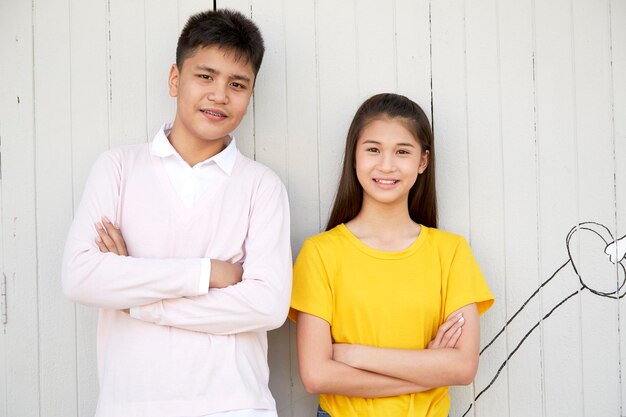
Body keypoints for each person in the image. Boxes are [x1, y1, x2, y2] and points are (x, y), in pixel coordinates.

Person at [62, 9, 291, 417]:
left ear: (250, 93)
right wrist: (208, 273)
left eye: (237, 84)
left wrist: (136, 293)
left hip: (237, 406)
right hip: (130, 406)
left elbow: (267, 306)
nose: (220, 95)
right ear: (175, 79)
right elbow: (80, 277)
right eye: (205, 76)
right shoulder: (118, 168)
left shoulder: (262, 186)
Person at [289, 93, 494, 417]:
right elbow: (316, 375)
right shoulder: (320, 253)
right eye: (373, 149)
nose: (386, 165)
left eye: (402, 151)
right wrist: (428, 369)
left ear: (422, 161)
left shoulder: (451, 252)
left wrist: (353, 355)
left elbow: (463, 368)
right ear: (354, 157)